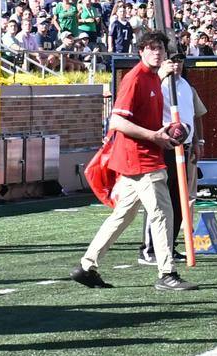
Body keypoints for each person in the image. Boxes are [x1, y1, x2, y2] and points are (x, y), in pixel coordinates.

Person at [71, 30, 191, 291]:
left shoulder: (152, 76)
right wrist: (154, 136)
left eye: (160, 48)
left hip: (135, 159)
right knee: (162, 214)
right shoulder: (135, 78)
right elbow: (116, 121)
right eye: (151, 48)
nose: (156, 52)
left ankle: (87, 266)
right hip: (142, 158)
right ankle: (167, 273)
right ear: (141, 51)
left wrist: (162, 132)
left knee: (122, 216)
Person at [142, 50, 206, 266]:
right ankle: (150, 248)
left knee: (179, 199)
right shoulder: (156, 83)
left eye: (179, 60)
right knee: (160, 198)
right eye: (171, 60)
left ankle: (169, 244)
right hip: (164, 145)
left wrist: (197, 142)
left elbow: (194, 116)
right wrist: (161, 75)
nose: (176, 65)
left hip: (183, 147)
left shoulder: (186, 86)